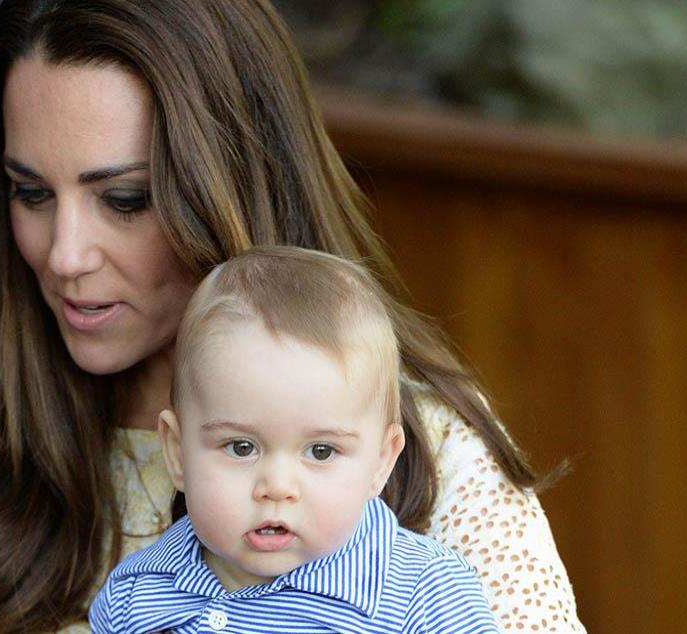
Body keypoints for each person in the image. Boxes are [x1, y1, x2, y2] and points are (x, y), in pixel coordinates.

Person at [0, 0, 584, 632]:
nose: (64, 255)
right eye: (30, 192)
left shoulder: (442, 455)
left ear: (234, 186)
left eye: (125, 199)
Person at [89, 246, 499, 633]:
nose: (277, 488)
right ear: (177, 453)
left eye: (321, 451)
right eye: (241, 447)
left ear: (380, 462)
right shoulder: (138, 593)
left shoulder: (425, 596)